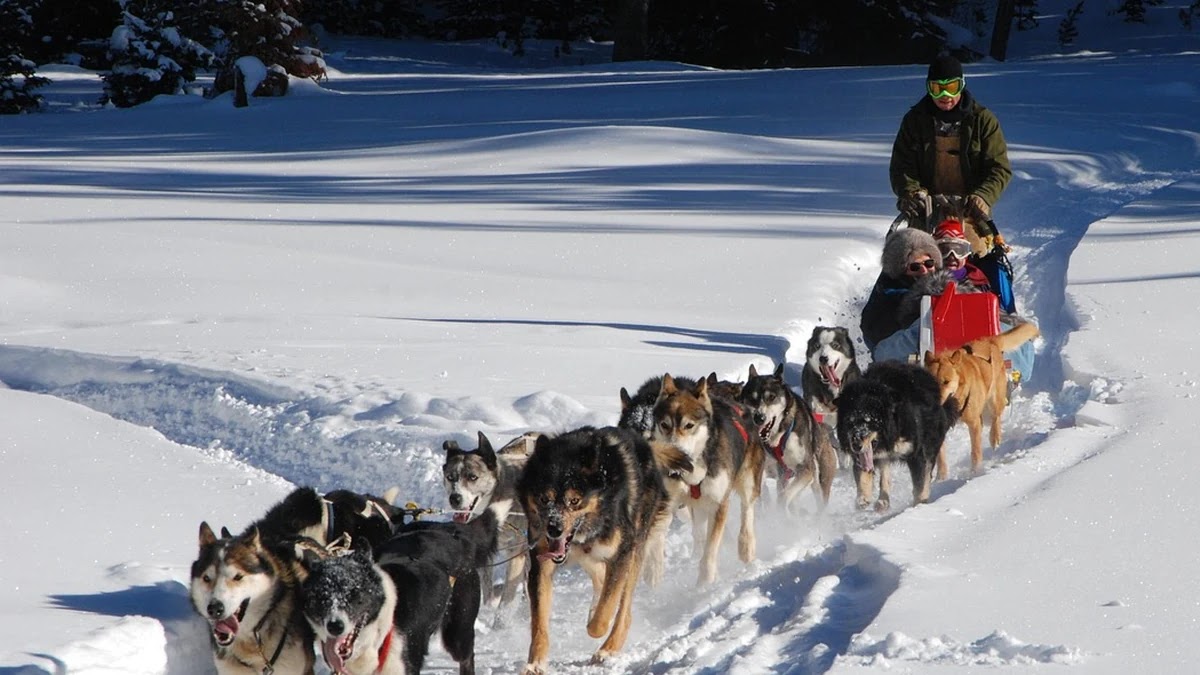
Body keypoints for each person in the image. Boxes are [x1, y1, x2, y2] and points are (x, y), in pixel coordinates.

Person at [890, 54, 1013, 251]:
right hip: (927, 210)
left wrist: (982, 196)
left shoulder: (982, 120)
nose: (945, 96)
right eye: (938, 89)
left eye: (952, 87)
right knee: (916, 256)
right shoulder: (915, 121)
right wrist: (910, 192)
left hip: (970, 211)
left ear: (962, 85)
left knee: (974, 255)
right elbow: (901, 165)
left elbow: (999, 168)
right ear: (929, 88)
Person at [860, 228, 942, 358]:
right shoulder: (888, 293)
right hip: (888, 348)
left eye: (929, 263)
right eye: (915, 267)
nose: (924, 270)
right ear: (901, 270)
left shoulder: (938, 282)